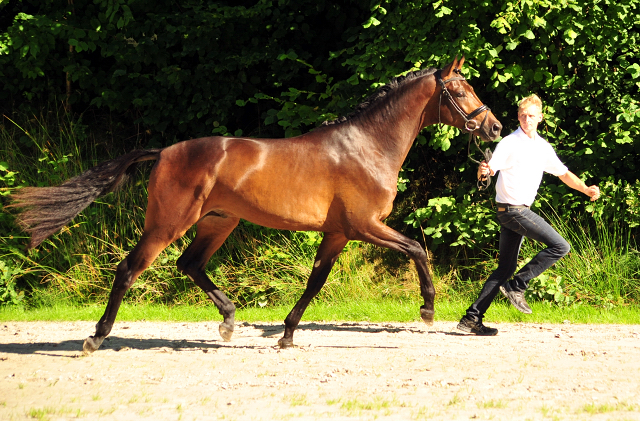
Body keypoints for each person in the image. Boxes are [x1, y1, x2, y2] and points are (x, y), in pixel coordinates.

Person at [457, 94, 601, 336]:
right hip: (513, 210)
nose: (527, 119)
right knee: (560, 246)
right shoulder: (510, 143)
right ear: (518, 117)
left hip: (515, 212)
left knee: (504, 268)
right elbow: (491, 168)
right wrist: (484, 171)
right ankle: (517, 285)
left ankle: (471, 319)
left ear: (540, 118)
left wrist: (585, 189)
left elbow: (563, 174)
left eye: (531, 115)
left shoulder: (542, 147)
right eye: (523, 115)